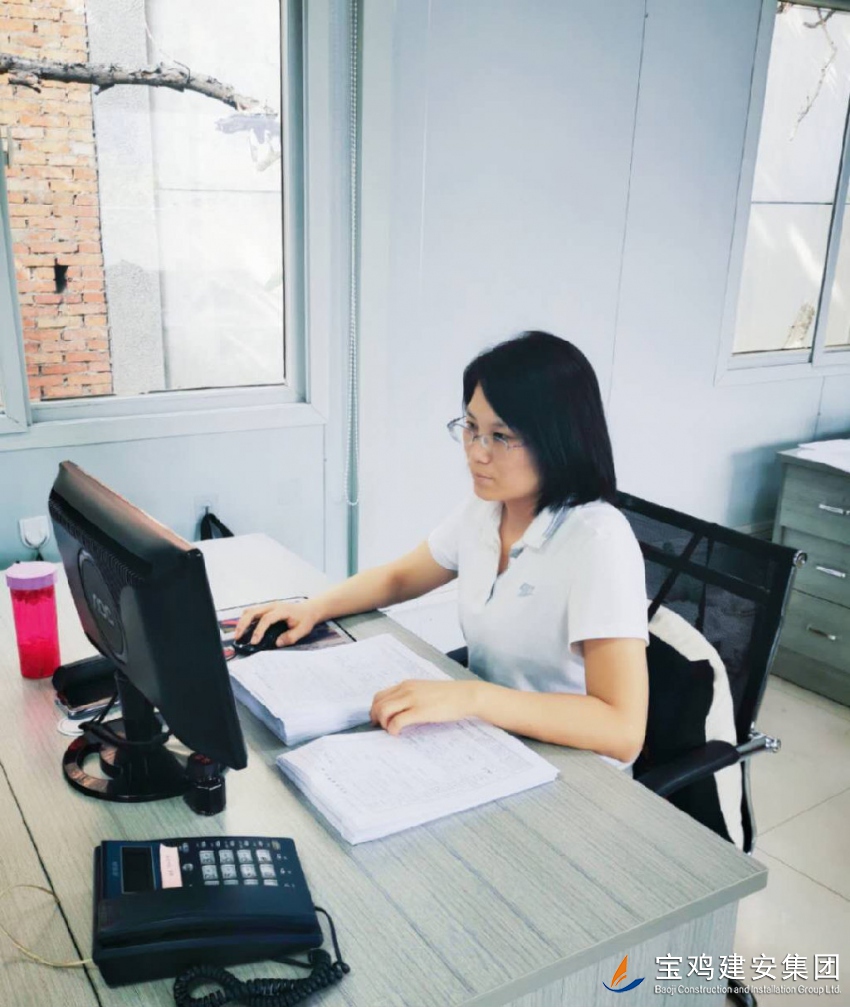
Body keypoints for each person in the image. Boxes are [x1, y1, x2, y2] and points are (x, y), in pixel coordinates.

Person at [235, 331, 649, 767]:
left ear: (558, 439)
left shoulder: (598, 541)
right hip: (492, 739)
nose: (476, 453)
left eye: (500, 436)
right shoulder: (488, 509)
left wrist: (472, 697)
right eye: (471, 428)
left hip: (574, 767)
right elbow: (401, 577)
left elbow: (621, 731)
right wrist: (313, 608)